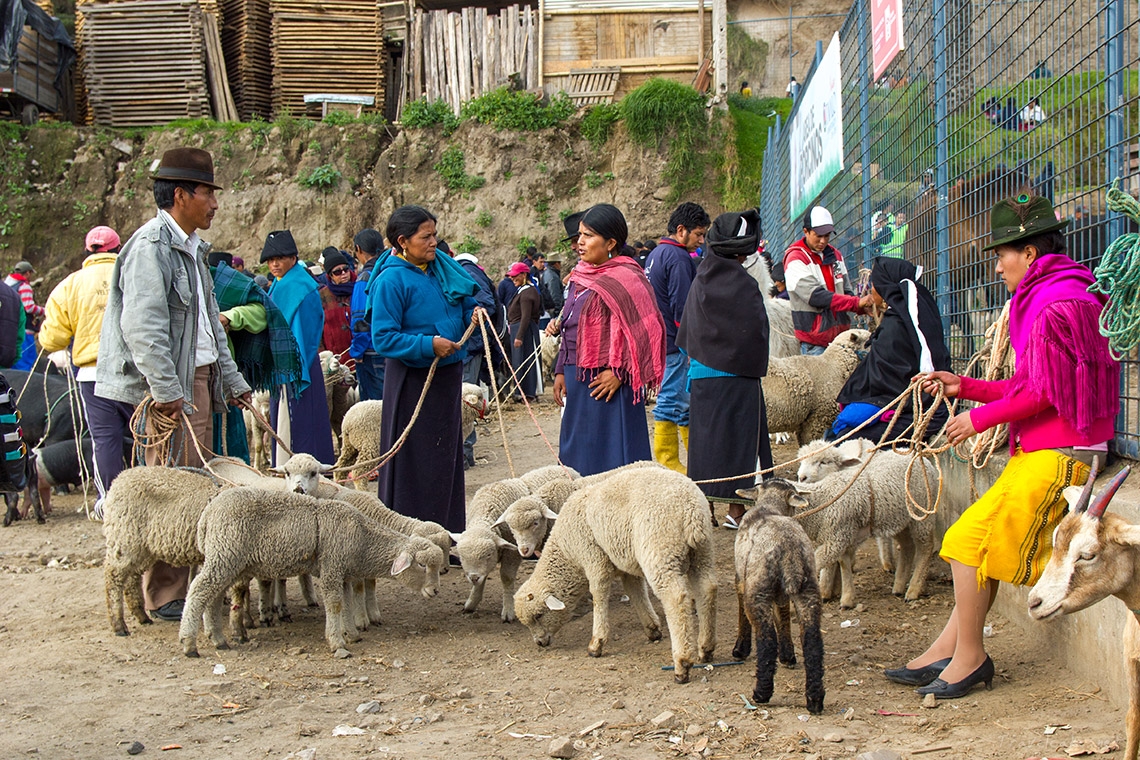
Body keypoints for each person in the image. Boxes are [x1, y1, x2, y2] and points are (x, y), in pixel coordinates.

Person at [885, 194, 1119, 699]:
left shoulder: (1057, 304)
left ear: (1029, 255)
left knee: (967, 543)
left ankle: (970, 657)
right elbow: (1032, 382)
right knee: (970, 542)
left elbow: (1042, 393)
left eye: (1001, 256)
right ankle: (952, 647)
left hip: (1063, 456)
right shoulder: (1055, 295)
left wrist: (978, 419)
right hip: (1044, 450)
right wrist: (964, 388)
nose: (995, 266)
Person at [95, 147, 252, 623]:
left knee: (195, 484)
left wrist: (233, 380)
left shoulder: (191, 252)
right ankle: (164, 594)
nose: (215, 204)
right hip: (175, 389)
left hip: (197, 382)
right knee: (173, 490)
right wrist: (166, 391)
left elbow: (207, 326)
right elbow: (143, 329)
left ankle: (185, 586)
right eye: (208, 193)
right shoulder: (150, 249)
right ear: (181, 195)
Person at [370, 205, 480, 532]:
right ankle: (414, 537)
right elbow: (384, 338)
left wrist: (473, 314)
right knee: (415, 463)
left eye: (434, 234)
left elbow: (462, 299)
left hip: (446, 377)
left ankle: (446, 532)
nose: (434, 242)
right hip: (414, 381)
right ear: (403, 241)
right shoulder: (392, 280)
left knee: (444, 458)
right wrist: (428, 345)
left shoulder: (439, 268)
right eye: (425, 236)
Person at [551, 204, 665, 476]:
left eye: (588, 236)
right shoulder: (580, 276)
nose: (580, 242)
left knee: (616, 461)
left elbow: (646, 332)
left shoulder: (628, 277)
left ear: (611, 242)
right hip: (579, 382)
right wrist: (560, 369)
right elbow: (569, 324)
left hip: (612, 387)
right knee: (578, 458)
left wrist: (620, 372)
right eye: (579, 235)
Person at [677, 208, 771, 530]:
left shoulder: (700, 280)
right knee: (741, 445)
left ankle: (705, 509)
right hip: (740, 379)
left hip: (703, 379)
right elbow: (758, 333)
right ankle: (737, 510)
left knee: (705, 445)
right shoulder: (745, 285)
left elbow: (688, 332)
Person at [39, 225, 128, 508]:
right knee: (145, 436)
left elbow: (53, 338)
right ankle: (147, 503)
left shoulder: (70, 284)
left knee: (105, 439)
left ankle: (110, 502)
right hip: (136, 370)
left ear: (88, 251)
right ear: (118, 248)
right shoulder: (133, 274)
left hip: (92, 373)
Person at [829, 257, 950, 443]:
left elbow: (886, 381)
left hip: (919, 411)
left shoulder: (896, 325)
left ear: (884, 286)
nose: (871, 289)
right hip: (922, 403)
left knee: (844, 438)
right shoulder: (915, 312)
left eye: (873, 284)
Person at [210, 250, 303, 463]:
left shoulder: (232, 287)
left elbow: (262, 311)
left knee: (231, 449)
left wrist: (231, 316)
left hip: (226, 381)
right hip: (198, 384)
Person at [644, 201, 709, 473]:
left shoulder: (656, 254)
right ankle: (667, 461)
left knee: (683, 402)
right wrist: (692, 344)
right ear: (681, 230)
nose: (701, 241)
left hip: (661, 340)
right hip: (676, 343)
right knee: (670, 400)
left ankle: (694, 460)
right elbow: (682, 307)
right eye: (698, 234)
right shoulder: (679, 258)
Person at [262, 230, 335, 466]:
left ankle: (298, 474)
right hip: (286, 365)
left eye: (280, 258)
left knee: (296, 423)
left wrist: (294, 368)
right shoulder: (282, 284)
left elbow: (303, 335)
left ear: (293, 258)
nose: (274, 263)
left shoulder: (298, 287)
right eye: (270, 259)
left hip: (294, 366)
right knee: (295, 421)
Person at [784, 205, 870, 355]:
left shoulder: (835, 255)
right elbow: (815, 296)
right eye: (818, 235)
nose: (823, 241)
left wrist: (864, 306)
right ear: (806, 231)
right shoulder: (795, 259)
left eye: (827, 235)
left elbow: (846, 291)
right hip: (815, 343)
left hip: (841, 339)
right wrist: (857, 303)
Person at [453, 247, 499, 468]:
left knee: (467, 398)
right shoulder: (466, 271)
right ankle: (461, 452)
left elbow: (485, 304)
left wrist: (471, 318)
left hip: (470, 346)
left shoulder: (467, 272)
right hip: (464, 346)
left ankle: (465, 452)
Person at [348, 228, 388, 401]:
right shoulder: (391, 270)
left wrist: (357, 352)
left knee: (374, 409)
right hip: (394, 348)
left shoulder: (366, 277)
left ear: (359, 250)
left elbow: (360, 320)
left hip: (372, 352)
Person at [505, 261, 541, 402]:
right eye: (512, 277)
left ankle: (527, 392)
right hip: (519, 328)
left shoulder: (527, 293)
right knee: (521, 360)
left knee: (525, 360)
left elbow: (526, 316)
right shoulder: (523, 290)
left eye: (516, 276)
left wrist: (519, 336)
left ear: (524, 275)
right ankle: (523, 391)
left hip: (524, 330)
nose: (513, 279)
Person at [319, 247, 355, 363]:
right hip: (336, 359)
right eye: (338, 272)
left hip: (361, 355)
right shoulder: (322, 296)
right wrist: (324, 357)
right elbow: (317, 329)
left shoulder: (360, 288)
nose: (343, 274)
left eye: (345, 269)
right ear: (331, 275)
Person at [5, 260, 43, 371]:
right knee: (26, 361)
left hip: (10, 330)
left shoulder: (8, 285)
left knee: (13, 362)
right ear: (27, 273)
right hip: (24, 330)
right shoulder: (24, 286)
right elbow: (29, 307)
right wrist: (44, 310)